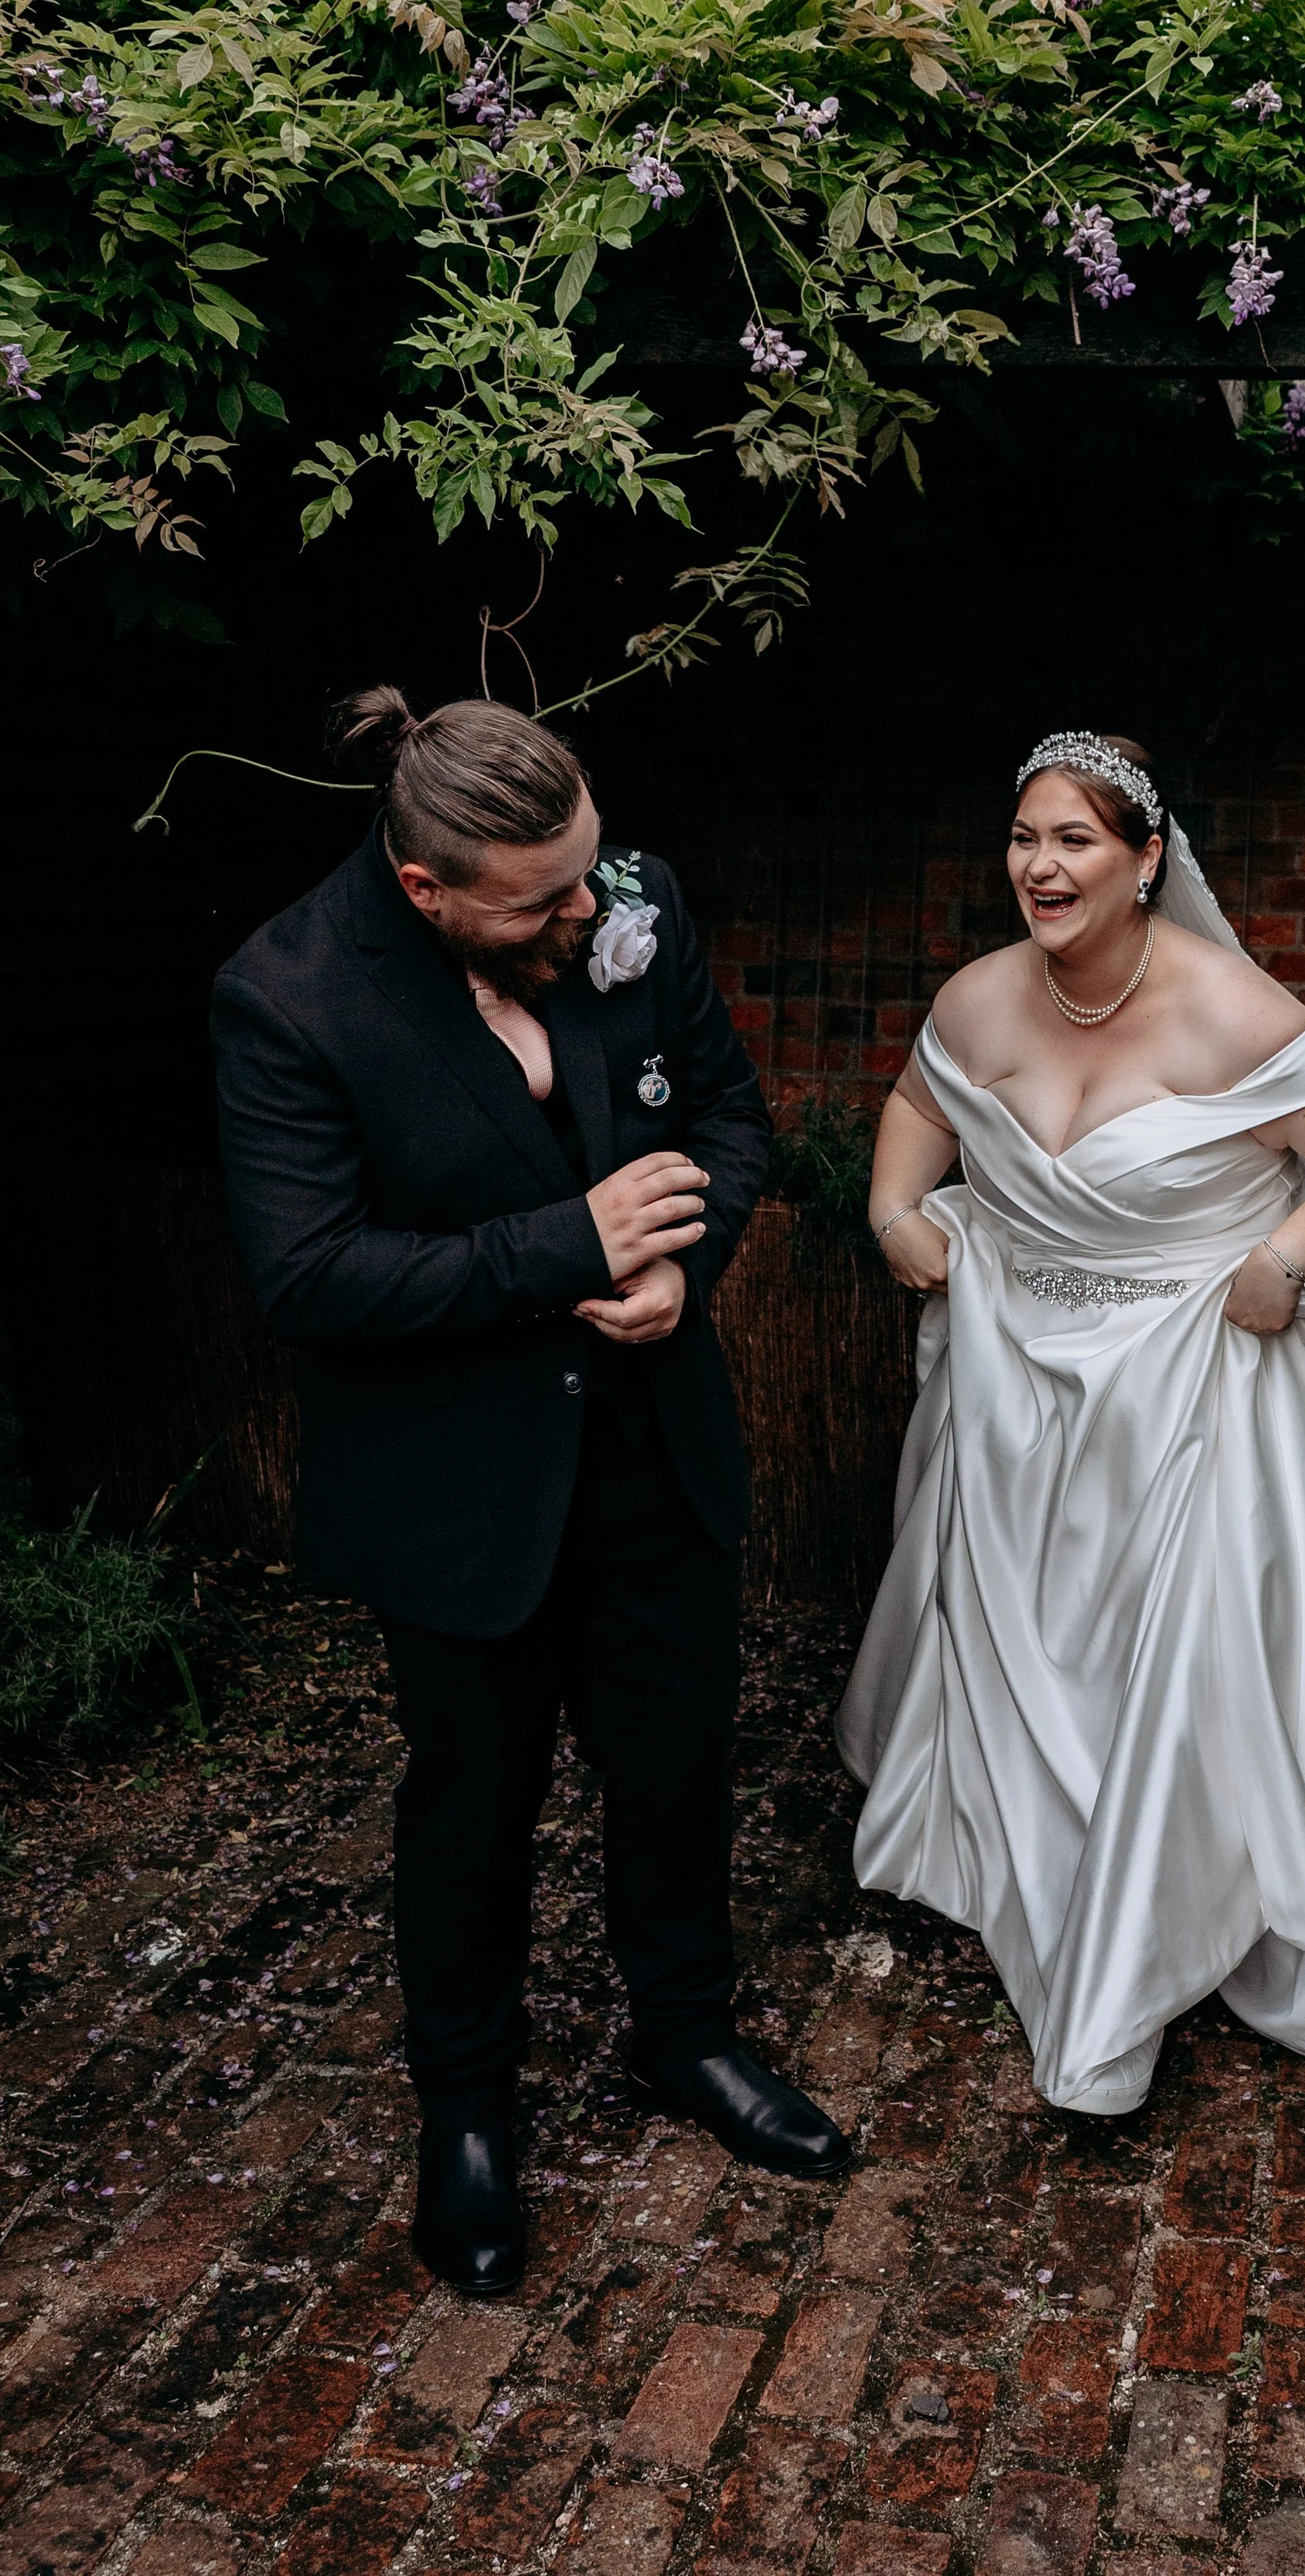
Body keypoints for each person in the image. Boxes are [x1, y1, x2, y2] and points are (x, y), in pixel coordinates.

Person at [212, 689, 849, 2296]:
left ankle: (685, 2039)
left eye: (590, 873)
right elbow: (310, 1275)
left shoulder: (631, 900)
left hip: (653, 1444)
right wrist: (571, 1245)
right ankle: (468, 2116)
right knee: (472, 1806)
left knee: (675, 1765)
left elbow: (729, 1120)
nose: (589, 910)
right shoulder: (287, 994)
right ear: (427, 887)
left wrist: (685, 1268)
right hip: (456, 1488)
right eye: (543, 900)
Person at [836, 731, 1305, 2115]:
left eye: (1076, 841)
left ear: (1146, 859)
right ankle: (1037, 1866)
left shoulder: (1227, 1005)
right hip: (1016, 1378)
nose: (1041, 867)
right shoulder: (982, 995)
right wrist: (891, 1212)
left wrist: (1285, 1259)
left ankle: (1174, 1916)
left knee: (1186, 1653)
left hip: (1199, 1381)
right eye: (1025, 838)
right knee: (1024, 1632)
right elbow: (919, 1103)